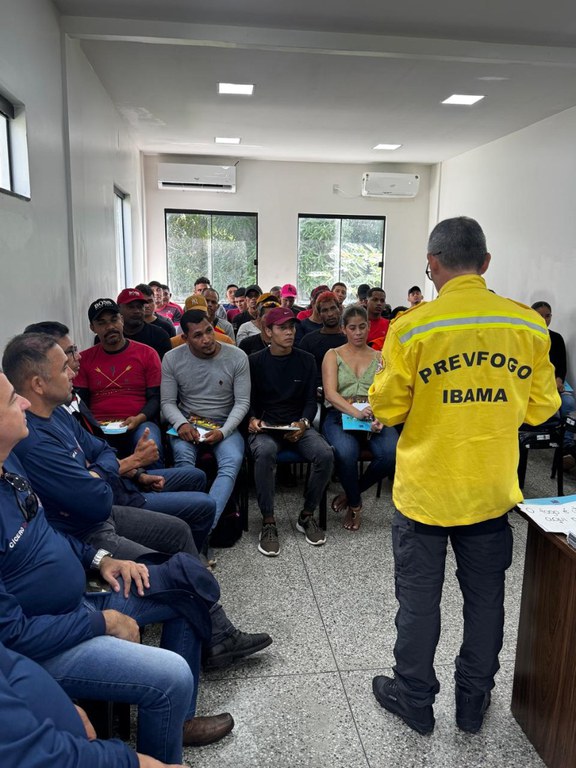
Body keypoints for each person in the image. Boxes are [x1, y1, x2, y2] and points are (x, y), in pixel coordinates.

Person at [368, 216, 560, 736]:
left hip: (425, 493)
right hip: (490, 492)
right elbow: (543, 408)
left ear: (432, 265)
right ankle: (473, 703)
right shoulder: (527, 325)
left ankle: (414, 698)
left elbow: (386, 404)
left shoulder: (412, 326)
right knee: (486, 603)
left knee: (418, 603)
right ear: (486, 263)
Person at [0, 369, 233, 762]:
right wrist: (103, 622)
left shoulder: (10, 470)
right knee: (171, 675)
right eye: (10, 400)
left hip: (75, 603)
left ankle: (175, 724)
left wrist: (101, 560)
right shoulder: (28, 451)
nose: (22, 401)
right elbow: (14, 636)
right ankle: (163, 743)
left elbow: (48, 535)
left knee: (185, 586)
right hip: (46, 640)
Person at [5, 332, 215, 553]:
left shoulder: (57, 412)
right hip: (88, 530)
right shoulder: (35, 442)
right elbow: (97, 501)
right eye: (63, 368)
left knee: (185, 514)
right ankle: (183, 570)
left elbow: (102, 448)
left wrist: (103, 473)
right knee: (184, 534)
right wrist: (120, 466)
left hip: (112, 496)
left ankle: (189, 565)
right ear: (38, 384)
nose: (71, 374)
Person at [0, 639, 185, 768]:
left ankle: (185, 721)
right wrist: (135, 763)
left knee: (186, 595)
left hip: (73, 611)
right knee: (173, 677)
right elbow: (33, 756)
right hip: (52, 640)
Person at [247, 307, 333, 556]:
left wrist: (305, 422)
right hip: (265, 427)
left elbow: (310, 400)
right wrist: (252, 419)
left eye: (292, 327)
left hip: (297, 425)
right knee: (263, 454)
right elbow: (248, 399)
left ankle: (306, 515)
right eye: (282, 327)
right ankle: (269, 521)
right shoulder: (255, 361)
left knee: (325, 454)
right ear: (268, 332)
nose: (289, 332)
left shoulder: (305, 360)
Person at [161, 310, 250, 530]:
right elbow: (168, 403)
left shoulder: (237, 356)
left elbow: (242, 403)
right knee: (183, 462)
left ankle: (204, 527)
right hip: (188, 423)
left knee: (232, 463)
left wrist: (224, 431)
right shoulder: (172, 358)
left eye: (209, 330)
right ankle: (187, 520)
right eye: (198, 335)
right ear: (185, 338)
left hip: (225, 425)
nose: (207, 339)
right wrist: (181, 424)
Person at [322, 305, 397, 530]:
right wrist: (356, 412)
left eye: (362, 327)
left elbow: (386, 392)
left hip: (374, 414)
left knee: (390, 453)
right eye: (352, 328)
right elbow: (330, 394)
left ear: (368, 327)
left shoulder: (380, 356)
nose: (358, 332)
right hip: (340, 413)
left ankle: (349, 492)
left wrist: (379, 415)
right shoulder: (333, 354)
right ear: (344, 329)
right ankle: (355, 505)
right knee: (346, 453)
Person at [77, 298, 165, 463]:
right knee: (93, 455)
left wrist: (139, 418)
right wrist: (95, 426)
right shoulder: (84, 359)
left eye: (114, 320)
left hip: (140, 422)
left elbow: (156, 397)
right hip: (98, 427)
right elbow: (81, 402)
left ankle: (155, 485)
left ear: (122, 320)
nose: (110, 327)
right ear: (92, 328)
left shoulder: (147, 354)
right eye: (101, 323)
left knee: (150, 446)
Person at [531, 300, 576, 462]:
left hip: (554, 380)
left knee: (569, 403)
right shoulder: (526, 336)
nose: (544, 319)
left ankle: (566, 448)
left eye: (547, 315)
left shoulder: (556, 338)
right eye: (539, 315)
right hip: (535, 383)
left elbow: (562, 366)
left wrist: (558, 380)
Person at [298, 291, 345, 387]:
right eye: (325, 310)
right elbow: (301, 373)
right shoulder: (308, 341)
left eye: (333, 308)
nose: (330, 314)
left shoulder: (349, 339)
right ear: (319, 314)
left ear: (339, 309)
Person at [116, 288, 172, 360]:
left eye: (140, 307)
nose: (137, 311)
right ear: (118, 308)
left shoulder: (160, 336)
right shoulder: (111, 337)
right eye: (131, 307)